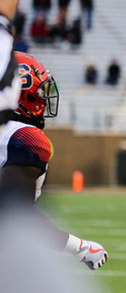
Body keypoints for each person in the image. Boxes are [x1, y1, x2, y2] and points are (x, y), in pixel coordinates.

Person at [0, 52, 109, 270]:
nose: (44, 98)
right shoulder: (26, 137)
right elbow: (15, 211)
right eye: (41, 92)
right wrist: (79, 247)